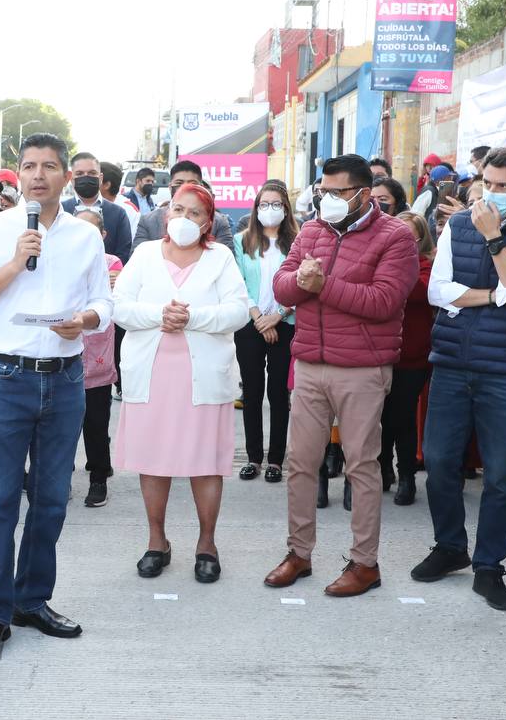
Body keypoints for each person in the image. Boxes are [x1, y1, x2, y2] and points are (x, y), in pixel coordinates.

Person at [0, 133, 112, 661]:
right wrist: (15, 263)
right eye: (29, 166)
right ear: (17, 175)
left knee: (49, 501)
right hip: (5, 378)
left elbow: (103, 303)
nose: (38, 175)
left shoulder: (85, 236)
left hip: (64, 379)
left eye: (49, 166)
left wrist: (84, 320)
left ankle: (32, 599)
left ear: (67, 176)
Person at [262, 154, 418, 598]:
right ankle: (299, 553)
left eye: (336, 192)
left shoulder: (395, 236)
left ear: (363, 194)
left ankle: (365, 563)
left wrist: (321, 285)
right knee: (300, 463)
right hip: (310, 364)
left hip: (363, 369)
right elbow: (282, 287)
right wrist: (302, 281)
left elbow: (384, 301)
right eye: (322, 191)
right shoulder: (312, 230)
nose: (326, 199)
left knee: (361, 466)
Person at [413, 145, 506, 611]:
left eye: (503, 186)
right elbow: (438, 290)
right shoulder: (457, 225)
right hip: (452, 361)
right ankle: (450, 546)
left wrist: (495, 241)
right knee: (439, 462)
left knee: (498, 475)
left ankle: (490, 566)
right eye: (488, 183)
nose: (490, 194)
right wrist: (498, 290)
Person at [115, 183, 248, 583]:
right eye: (177, 209)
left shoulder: (220, 257)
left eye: (194, 213)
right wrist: (160, 314)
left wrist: (193, 318)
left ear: (208, 223)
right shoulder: (144, 254)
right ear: (166, 213)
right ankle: (157, 542)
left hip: (203, 375)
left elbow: (238, 311)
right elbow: (119, 307)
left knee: (205, 462)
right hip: (151, 372)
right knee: (153, 461)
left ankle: (207, 545)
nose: (184, 218)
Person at [232, 181, 297, 484]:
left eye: (276, 204)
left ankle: (276, 460)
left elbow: (300, 284)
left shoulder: (298, 241)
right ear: (256, 208)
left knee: (279, 393)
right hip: (251, 323)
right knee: (253, 391)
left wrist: (277, 316)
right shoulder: (241, 241)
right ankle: (254, 457)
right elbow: (238, 284)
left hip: (285, 322)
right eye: (264, 204)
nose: (270, 209)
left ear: (286, 208)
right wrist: (259, 318)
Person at [380, 212, 435, 506]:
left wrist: (399, 267)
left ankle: (407, 476)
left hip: (412, 356)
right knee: (380, 418)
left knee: (402, 418)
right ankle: (384, 469)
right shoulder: (381, 262)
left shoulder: (426, 265)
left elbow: (418, 292)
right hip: (379, 354)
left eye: (408, 236)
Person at [72, 207, 121, 508]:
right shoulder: (59, 259)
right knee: (61, 425)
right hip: (64, 353)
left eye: (91, 230)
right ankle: (59, 477)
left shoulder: (111, 262)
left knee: (96, 422)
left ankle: (99, 477)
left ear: (102, 235)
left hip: (97, 355)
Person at [132, 161, 235, 253]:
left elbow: (225, 260)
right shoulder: (148, 221)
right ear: (170, 187)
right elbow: (137, 260)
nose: (185, 188)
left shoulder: (218, 222)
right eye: (179, 183)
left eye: (192, 184)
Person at [61, 152, 133, 264]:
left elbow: (124, 254)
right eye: (79, 173)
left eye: (92, 173)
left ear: (100, 178)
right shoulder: (61, 211)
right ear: (71, 178)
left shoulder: (118, 214)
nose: (86, 177)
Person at [99, 161, 140, 238]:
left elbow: (129, 241)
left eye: (95, 179)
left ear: (107, 185)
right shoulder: (85, 203)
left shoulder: (129, 210)